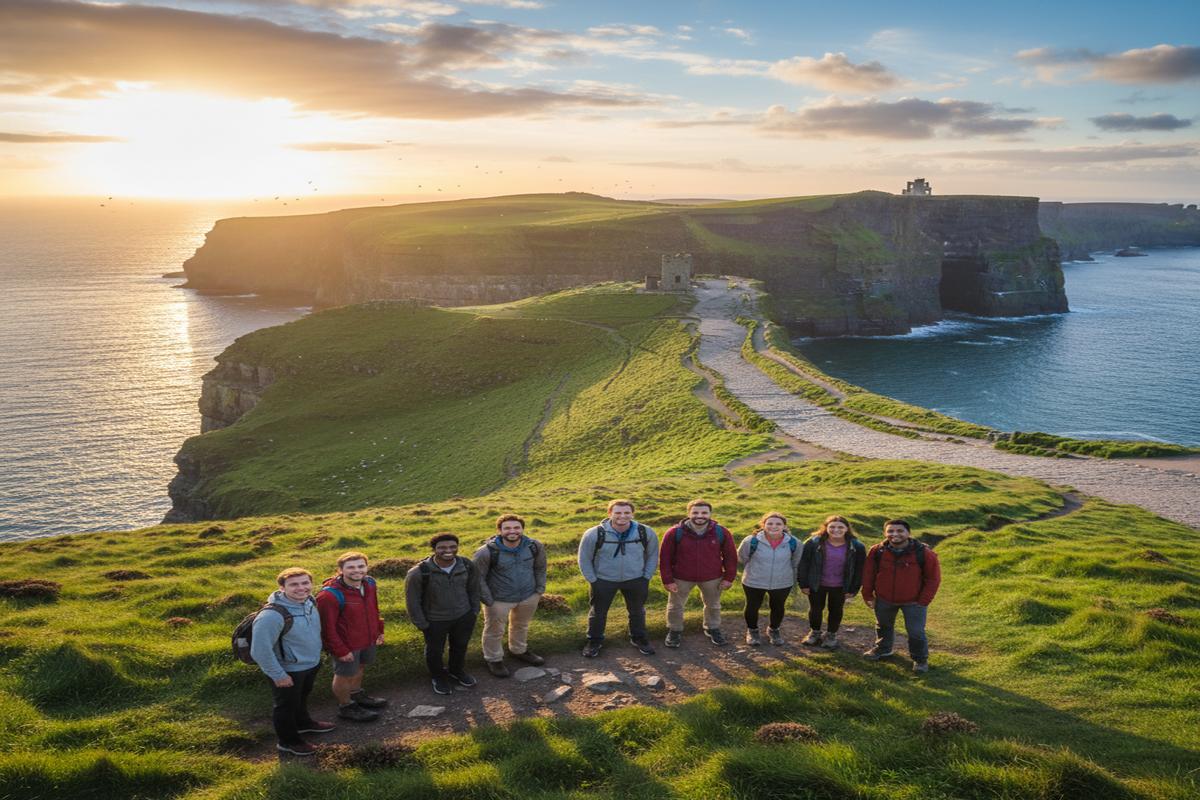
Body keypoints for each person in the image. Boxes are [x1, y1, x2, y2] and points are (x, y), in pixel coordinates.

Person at [250, 567, 332, 757]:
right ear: (282, 588)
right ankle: (288, 742)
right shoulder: (271, 616)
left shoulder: (310, 601)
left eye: (305, 583)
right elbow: (259, 650)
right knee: (285, 706)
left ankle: (303, 723)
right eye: (294, 584)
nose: (301, 588)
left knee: (301, 697)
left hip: (310, 663)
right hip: (288, 670)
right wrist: (278, 675)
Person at [578, 499, 660, 658]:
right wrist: (593, 580)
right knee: (598, 612)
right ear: (610, 514)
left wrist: (646, 576)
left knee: (637, 611)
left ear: (632, 514)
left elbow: (652, 555)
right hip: (603, 580)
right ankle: (594, 641)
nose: (622, 516)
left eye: (627, 512)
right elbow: (584, 559)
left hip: (636, 579)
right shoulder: (594, 533)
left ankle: (639, 639)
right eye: (617, 512)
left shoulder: (645, 532)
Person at [405, 533, 482, 694]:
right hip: (435, 620)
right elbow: (412, 601)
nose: (448, 550)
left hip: (464, 616)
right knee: (435, 650)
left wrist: (474, 611)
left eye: (453, 546)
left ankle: (456, 671)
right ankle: (438, 677)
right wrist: (422, 624)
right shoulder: (418, 573)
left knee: (460, 646)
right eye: (442, 547)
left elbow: (474, 589)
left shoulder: (467, 565)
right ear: (434, 549)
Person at [861, 519, 942, 672]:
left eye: (899, 531)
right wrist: (867, 594)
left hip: (914, 601)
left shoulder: (923, 553)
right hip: (884, 599)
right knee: (883, 626)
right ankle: (884, 649)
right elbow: (868, 574)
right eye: (890, 531)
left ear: (908, 533)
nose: (894, 534)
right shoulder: (877, 551)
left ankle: (920, 660)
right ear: (885, 533)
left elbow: (933, 579)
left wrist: (924, 600)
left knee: (916, 632)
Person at [473, 514, 548, 677]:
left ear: (522, 529)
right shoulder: (485, 552)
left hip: (529, 595)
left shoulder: (534, 546)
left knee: (521, 625)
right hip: (498, 599)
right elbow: (477, 578)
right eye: (507, 528)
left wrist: (539, 590)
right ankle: (494, 659)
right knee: (494, 630)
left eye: (516, 527)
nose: (512, 531)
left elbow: (540, 568)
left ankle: (519, 650)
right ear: (499, 530)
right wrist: (488, 600)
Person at [316, 551, 386, 722]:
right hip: (346, 644)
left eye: (361, 566)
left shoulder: (369, 583)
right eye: (351, 567)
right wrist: (340, 650)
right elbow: (326, 628)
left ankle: (356, 695)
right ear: (340, 570)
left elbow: (374, 608)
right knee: (344, 675)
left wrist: (379, 631)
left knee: (360, 667)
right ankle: (345, 706)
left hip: (367, 638)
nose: (357, 570)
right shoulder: (329, 595)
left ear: (367, 567)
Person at [659, 499, 737, 648]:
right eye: (695, 512)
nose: (699, 515)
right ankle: (674, 631)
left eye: (704, 512)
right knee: (675, 606)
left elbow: (731, 557)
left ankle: (712, 628)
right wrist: (668, 580)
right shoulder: (675, 532)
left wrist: (729, 578)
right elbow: (665, 558)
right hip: (681, 577)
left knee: (713, 605)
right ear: (688, 514)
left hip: (712, 577)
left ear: (710, 514)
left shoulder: (721, 532)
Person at [796, 515, 867, 649]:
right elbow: (804, 563)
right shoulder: (813, 542)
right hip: (817, 583)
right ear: (826, 527)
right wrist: (803, 584)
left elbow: (860, 569)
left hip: (841, 585)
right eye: (832, 527)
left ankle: (831, 635)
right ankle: (815, 632)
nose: (836, 530)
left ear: (847, 529)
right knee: (815, 609)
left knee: (836, 610)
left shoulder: (856, 546)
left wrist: (853, 588)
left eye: (840, 527)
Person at [737, 511, 803, 646]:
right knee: (752, 606)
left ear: (784, 526)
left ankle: (774, 630)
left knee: (778, 607)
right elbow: (741, 558)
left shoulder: (794, 542)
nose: (774, 526)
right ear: (763, 525)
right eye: (770, 523)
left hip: (782, 581)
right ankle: (752, 631)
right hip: (754, 580)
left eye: (778, 524)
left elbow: (796, 562)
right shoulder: (751, 540)